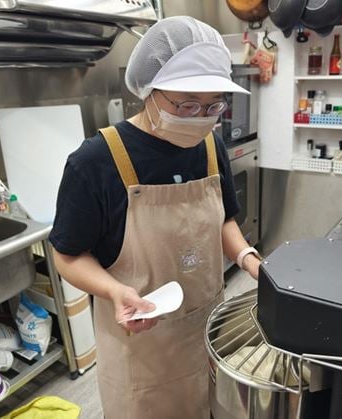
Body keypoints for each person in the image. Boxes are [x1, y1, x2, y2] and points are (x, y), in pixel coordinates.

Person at [49, 16, 262, 419]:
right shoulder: (96, 162)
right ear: (149, 91)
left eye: (213, 105)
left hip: (205, 333)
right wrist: (113, 292)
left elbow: (223, 222)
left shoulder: (210, 146)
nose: (201, 116)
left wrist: (250, 260)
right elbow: (68, 256)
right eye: (186, 105)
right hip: (140, 350)